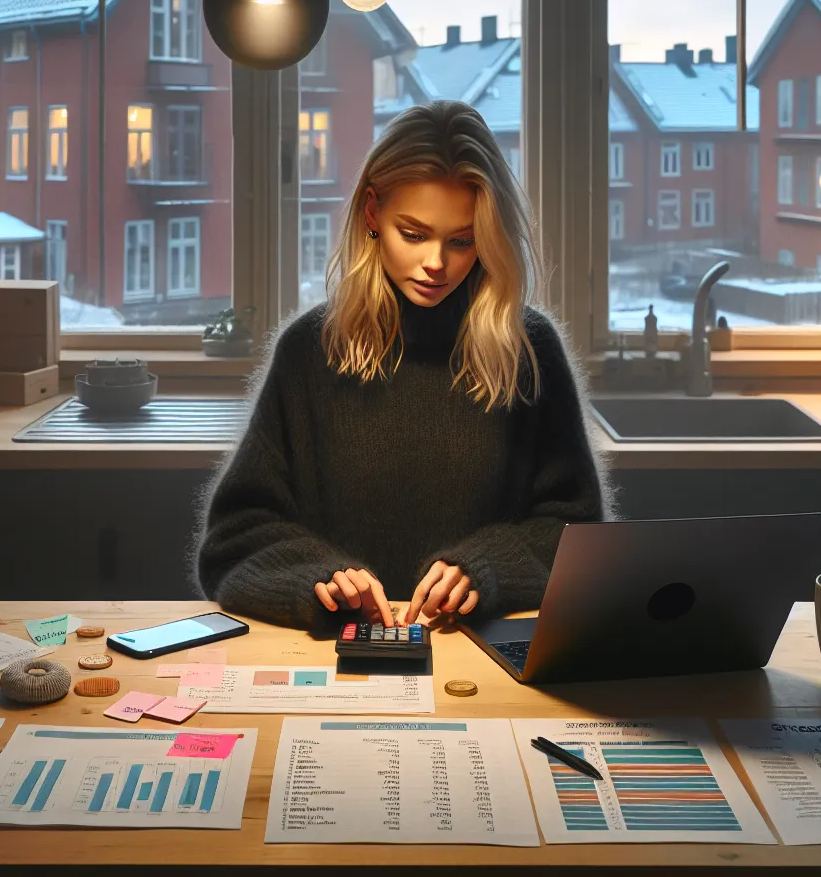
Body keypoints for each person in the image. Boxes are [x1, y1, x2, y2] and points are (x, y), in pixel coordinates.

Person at [194, 100, 614, 630]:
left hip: (481, 654)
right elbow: (237, 538)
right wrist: (319, 579)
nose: (436, 263)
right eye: (413, 234)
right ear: (372, 213)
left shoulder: (528, 349)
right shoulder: (309, 350)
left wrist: (485, 568)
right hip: (336, 654)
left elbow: (574, 531)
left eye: (462, 241)